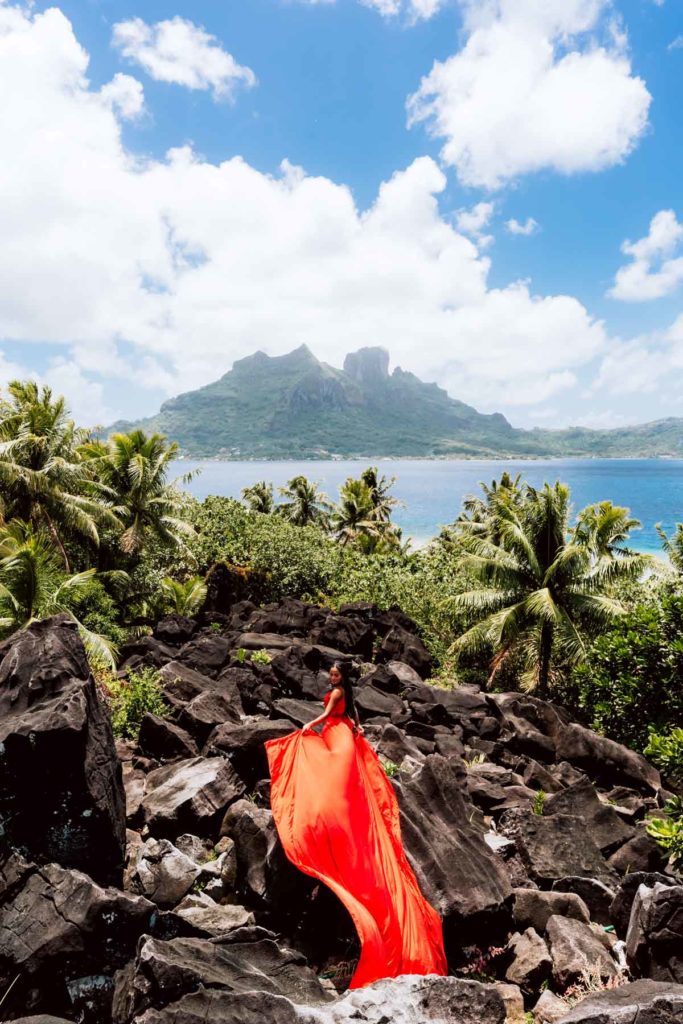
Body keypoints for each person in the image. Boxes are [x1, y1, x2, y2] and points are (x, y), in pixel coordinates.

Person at [264, 662, 447, 990]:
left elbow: (326, 716)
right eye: (330, 673)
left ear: (342, 678)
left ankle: (333, 820)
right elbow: (353, 714)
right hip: (345, 732)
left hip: (337, 733)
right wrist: (357, 729)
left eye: (335, 673)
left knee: (330, 777)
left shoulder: (337, 693)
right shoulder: (347, 693)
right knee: (347, 782)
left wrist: (308, 726)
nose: (332, 677)